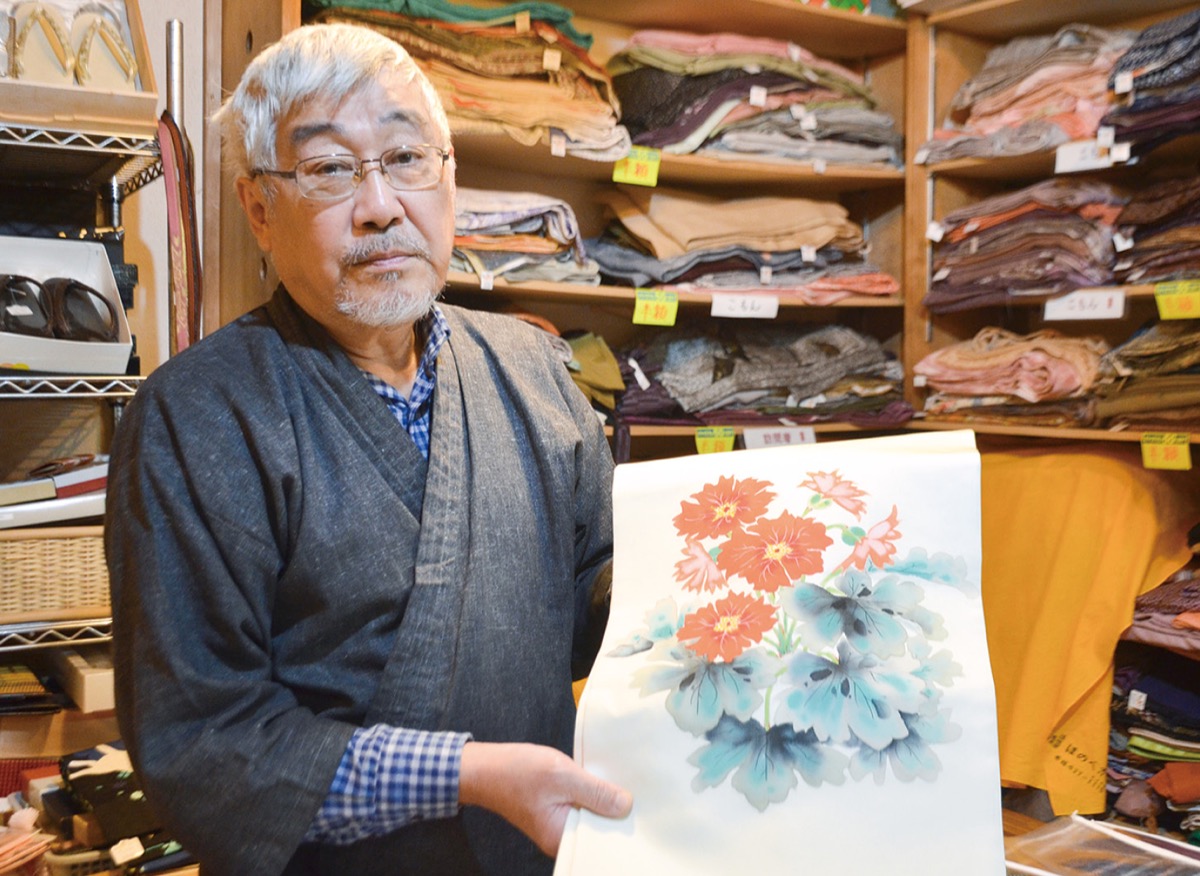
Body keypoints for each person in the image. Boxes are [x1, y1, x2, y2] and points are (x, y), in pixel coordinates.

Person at [105, 22, 631, 876]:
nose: (381, 204)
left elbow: (600, 609)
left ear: (449, 175)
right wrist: (469, 776)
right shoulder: (196, 417)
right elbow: (202, 742)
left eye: (407, 157)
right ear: (258, 209)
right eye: (329, 169)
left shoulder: (533, 367)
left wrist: (722, 568)